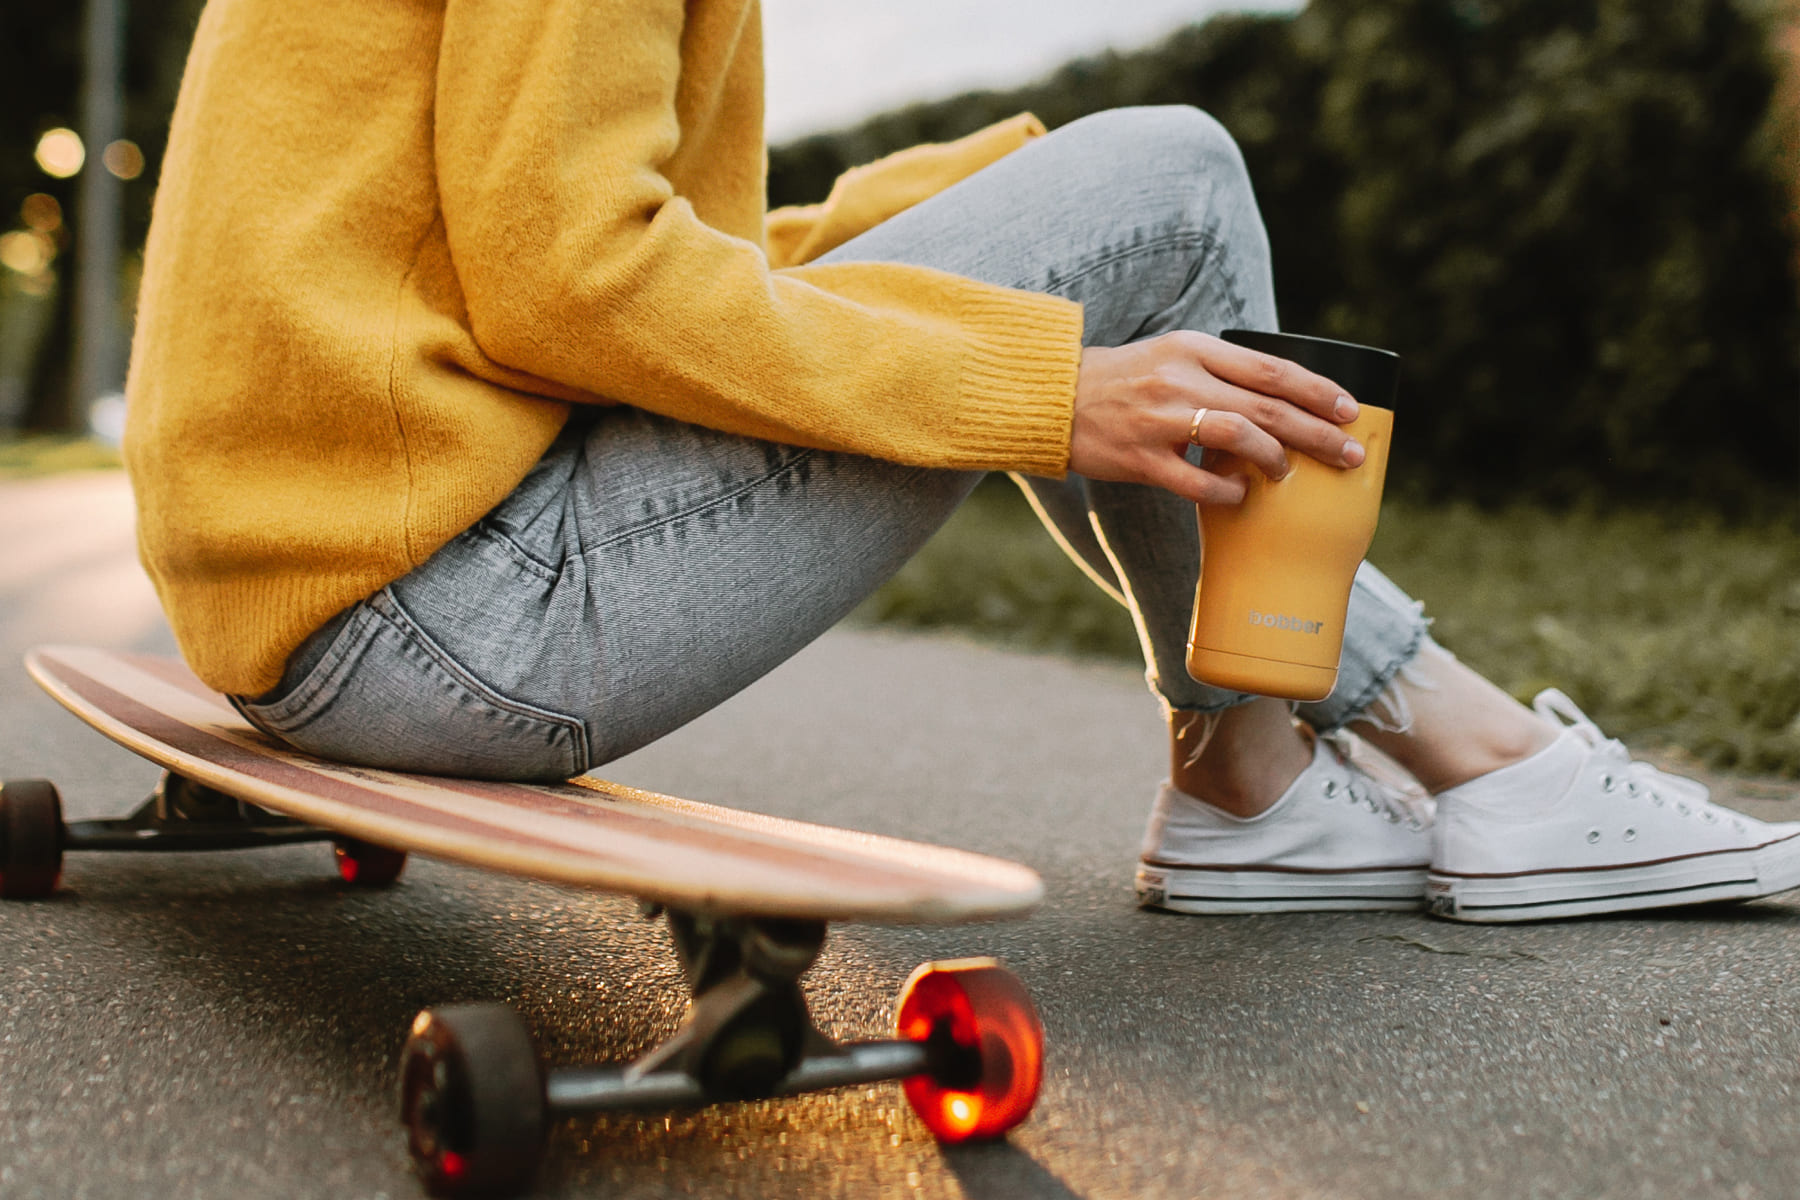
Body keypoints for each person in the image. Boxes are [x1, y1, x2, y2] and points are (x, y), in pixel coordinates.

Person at [124, 0, 1798, 924]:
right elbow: (573, 275)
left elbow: (650, 260)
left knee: (1138, 201)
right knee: (1185, 172)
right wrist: (1043, 384)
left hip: (334, 595)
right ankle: (1424, 763)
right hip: (449, 623)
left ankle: (1276, 782)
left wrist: (1006, 208)